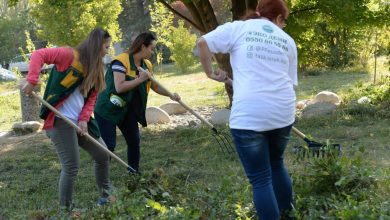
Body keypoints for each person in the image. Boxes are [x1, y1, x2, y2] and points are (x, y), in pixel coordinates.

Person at [197, 0, 298, 219]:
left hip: (250, 115)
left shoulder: (238, 28)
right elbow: (289, 83)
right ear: (278, 18)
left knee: (261, 179)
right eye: (284, 21)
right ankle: (287, 214)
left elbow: (203, 43)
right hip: (283, 112)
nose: (284, 26)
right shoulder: (288, 41)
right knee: (277, 164)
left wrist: (210, 73)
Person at [22, 27, 114, 213]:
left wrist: (83, 120)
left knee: (103, 154)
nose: (107, 50)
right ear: (97, 46)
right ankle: (66, 210)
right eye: (106, 46)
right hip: (58, 120)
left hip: (80, 121)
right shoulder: (68, 55)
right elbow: (39, 54)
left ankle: (105, 196)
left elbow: (91, 99)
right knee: (71, 165)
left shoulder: (96, 69)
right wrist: (32, 80)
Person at [94, 32, 180, 173]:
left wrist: (171, 95)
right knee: (108, 146)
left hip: (128, 110)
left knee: (134, 141)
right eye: (151, 48)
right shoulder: (120, 61)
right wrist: (139, 79)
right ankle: (103, 181)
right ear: (142, 46)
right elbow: (119, 87)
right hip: (107, 109)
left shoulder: (147, 65)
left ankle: (134, 173)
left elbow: (155, 86)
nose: (152, 52)